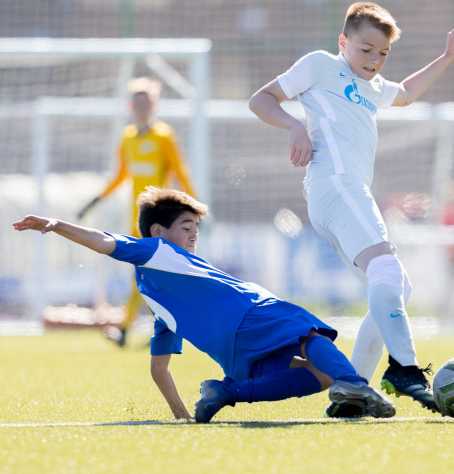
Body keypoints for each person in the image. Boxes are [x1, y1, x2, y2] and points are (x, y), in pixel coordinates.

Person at [249, 1, 454, 417]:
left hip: (341, 194)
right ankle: (405, 370)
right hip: (335, 186)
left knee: (393, 287)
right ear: (343, 41)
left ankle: (354, 390)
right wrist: (294, 125)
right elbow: (261, 99)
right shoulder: (320, 64)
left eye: (383, 54)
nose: (374, 60)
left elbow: (405, 94)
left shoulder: (373, 88)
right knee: (387, 273)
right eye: (366, 49)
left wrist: (447, 56)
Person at [13, 187, 395, 422]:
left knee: (319, 376)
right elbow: (105, 241)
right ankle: (355, 385)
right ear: (158, 231)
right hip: (252, 312)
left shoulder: (156, 298)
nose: (193, 237)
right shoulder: (156, 249)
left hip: (234, 354)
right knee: (308, 334)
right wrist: (57, 224)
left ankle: (226, 393)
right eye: (186, 229)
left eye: (196, 231)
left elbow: (159, 368)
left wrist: (181, 414)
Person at [78, 77, 197, 347]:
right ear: (131, 105)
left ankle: (132, 329)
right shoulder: (128, 137)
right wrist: (96, 199)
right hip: (138, 218)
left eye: (146, 102)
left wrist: (194, 207)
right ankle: (157, 328)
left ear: (153, 105)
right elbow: (120, 175)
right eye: (137, 102)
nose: (141, 107)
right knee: (145, 273)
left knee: (150, 273)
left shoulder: (164, 136)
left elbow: (181, 173)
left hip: (161, 218)